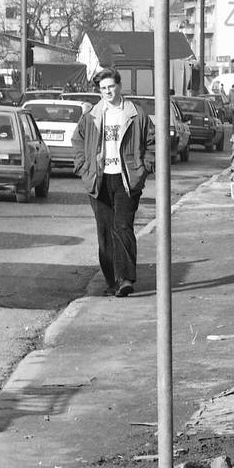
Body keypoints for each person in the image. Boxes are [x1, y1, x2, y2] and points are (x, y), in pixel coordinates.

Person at [73, 68, 155, 298]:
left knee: (122, 227)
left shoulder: (135, 114)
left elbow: (152, 142)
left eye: (111, 86)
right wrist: (84, 169)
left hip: (126, 179)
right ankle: (112, 281)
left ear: (120, 86)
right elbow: (77, 141)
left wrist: (143, 169)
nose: (108, 92)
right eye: (103, 88)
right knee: (105, 232)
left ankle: (126, 279)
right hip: (99, 179)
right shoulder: (92, 116)